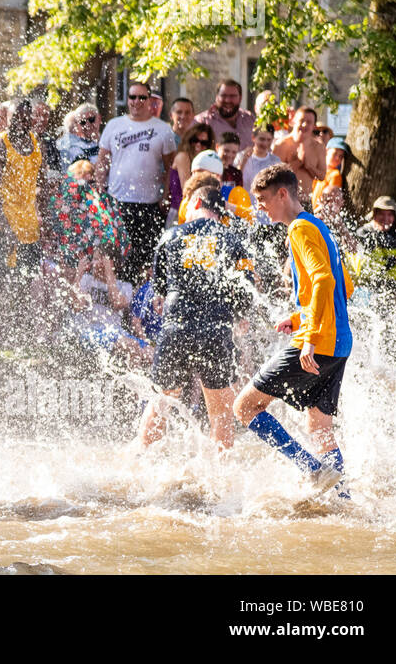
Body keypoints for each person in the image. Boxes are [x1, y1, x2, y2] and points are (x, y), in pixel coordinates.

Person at [234, 163, 352, 496]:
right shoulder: (320, 227)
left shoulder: (298, 229)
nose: (260, 208)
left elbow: (325, 280)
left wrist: (309, 337)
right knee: (320, 426)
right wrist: (299, 317)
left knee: (244, 407)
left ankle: (313, 470)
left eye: (263, 200)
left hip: (319, 342)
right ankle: (342, 498)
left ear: (283, 193)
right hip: (340, 342)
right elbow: (347, 286)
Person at [139, 186, 255, 450]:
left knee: (160, 404)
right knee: (221, 415)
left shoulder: (170, 235)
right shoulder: (234, 240)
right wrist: (236, 316)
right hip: (216, 329)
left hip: (176, 328)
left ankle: (140, 465)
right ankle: (220, 480)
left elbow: (159, 289)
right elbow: (246, 292)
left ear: (197, 202)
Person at [96, 81, 177, 285]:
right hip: (118, 203)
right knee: (117, 259)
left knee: (146, 261)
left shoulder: (162, 130)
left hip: (149, 205)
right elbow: (102, 161)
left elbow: (170, 168)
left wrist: (166, 196)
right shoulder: (114, 125)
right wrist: (99, 191)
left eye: (142, 97)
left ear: (150, 100)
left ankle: (139, 311)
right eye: (132, 97)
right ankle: (119, 306)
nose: (136, 102)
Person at [0, 99, 45, 276]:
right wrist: (6, 227)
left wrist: (41, 213)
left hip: (29, 227)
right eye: (16, 117)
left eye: (25, 117)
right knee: (4, 282)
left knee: (28, 280)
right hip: (4, 225)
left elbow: (39, 182)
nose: (21, 122)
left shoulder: (36, 143)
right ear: (7, 118)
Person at [272, 107, 327, 199]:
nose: (304, 124)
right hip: (283, 201)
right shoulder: (281, 145)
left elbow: (322, 176)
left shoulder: (318, 147)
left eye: (309, 122)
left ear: (314, 126)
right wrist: (298, 162)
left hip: (306, 201)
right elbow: (274, 176)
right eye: (301, 120)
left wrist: (310, 167)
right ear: (293, 122)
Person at [194, 79, 255, 150]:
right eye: (223, 95)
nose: (228, 100)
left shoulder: (249, 119)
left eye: (232, 96)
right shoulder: (203, 121)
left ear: (240, 98)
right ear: (216, 98)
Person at [170, 123, 215, 213]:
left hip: (197, 210)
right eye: (195, 140)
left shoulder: (206, 161)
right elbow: (187, 189)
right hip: (180, 211)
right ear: (189, 140)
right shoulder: (183, 157)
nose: (198, 145)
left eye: (204, 143)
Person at [56, 104, 101, 172]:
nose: (87, 125)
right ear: (77, 125)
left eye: (91, 119)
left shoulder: (109, 141)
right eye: (82, 122)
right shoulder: (72, 149)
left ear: (99, 118)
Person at [237, 126, 279, 193]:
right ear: (253, 137)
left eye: (269, 140)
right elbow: (235, 181)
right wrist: (243, 162)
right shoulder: (241, 156)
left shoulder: (275, 161)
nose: (265, 143)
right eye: (262, 139)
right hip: (244, 201)